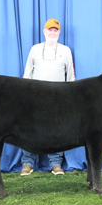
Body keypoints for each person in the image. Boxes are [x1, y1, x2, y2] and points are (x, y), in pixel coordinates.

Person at [20, 19, 76, 176]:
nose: (52, 33)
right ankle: (27, 163)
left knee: (57, 130)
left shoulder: (65, 50)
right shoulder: (35, 49)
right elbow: (27, 74)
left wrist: (70, 97)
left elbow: (70, 75)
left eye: (55, 31)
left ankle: (56, 163)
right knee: (30, 129)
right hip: (35, 96)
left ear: (59, 33)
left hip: (58, 97)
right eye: (50, 30)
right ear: (44, 32)